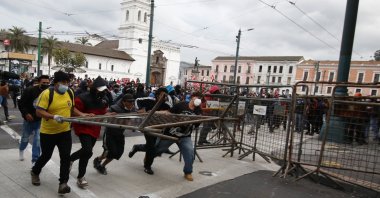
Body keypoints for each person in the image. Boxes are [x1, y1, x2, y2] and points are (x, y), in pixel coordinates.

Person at [31, 71, 90, 195]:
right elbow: (39, 112)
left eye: (67, 82)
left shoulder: (69, 92)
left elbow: (72, 108)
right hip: (48, 133)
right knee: (46, 155)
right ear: (56, 83)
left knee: (65, 158)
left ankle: (63, 183)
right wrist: (53, 117)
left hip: (64, 132)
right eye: (63, 82)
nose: (66, 85)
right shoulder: (47, 94)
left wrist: (82, 114)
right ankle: (35, 171)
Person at [70, 76, 110, 188]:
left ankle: (71, 159)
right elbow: (72, 109)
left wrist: (108, 115)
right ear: (94, 89)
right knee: (87, 150)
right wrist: (82, 114)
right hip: (82, 126)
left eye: (104, 90)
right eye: (100, 90)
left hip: (95, 127)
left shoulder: (104, 100)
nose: (103, 92)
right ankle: (81, 177)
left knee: (87, 152)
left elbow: (103, 113)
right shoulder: (82, 97)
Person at [155, 92, 202, 181]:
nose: (198, 99)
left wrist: (197, 119)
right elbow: (169, 112)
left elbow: (196, 124)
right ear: (192, 98)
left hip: (185, 136)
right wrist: (158, 113)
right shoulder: (181, 105)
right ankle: (149, 157)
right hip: (171, 133)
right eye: (197, 97)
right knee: (158, 149)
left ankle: (188, 172)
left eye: (200, 98)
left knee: (189, 152)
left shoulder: (198, 111)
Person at [128, 87, 173, 175]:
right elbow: (137, 100)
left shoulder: (167, 104)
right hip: (148, 126)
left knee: (152, 146)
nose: (163, 97)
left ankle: (137, 147)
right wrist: (140, 109)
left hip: (159, 128)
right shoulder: (150, 100)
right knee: (151, 146)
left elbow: (171, 111)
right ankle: (147, 166)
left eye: (165, 95)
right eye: (161, 95)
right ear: (157, 95)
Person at [93, 94, 136, 175]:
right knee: (109, 152)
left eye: (132, 102)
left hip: (119, 134)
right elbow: (105, 116)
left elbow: (130, 120)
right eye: (129, 102)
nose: (131, 104)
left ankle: (102, 165)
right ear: (124, 102)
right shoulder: (114, 108)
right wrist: (106, 115)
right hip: (110, 133)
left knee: (117, 153)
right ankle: (98, 159)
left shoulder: (131, 109)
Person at [18, 75, 50, 164]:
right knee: (25, 138)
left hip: (41, 120)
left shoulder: (49, 92)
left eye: (47, 83)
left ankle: (35, 160)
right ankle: (21, 150)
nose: (46, 84)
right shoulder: (29, 90)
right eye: (44, 83)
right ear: (39, 82)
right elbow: (21, 104)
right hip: (29, 120)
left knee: (38, 140)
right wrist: (26, 114)